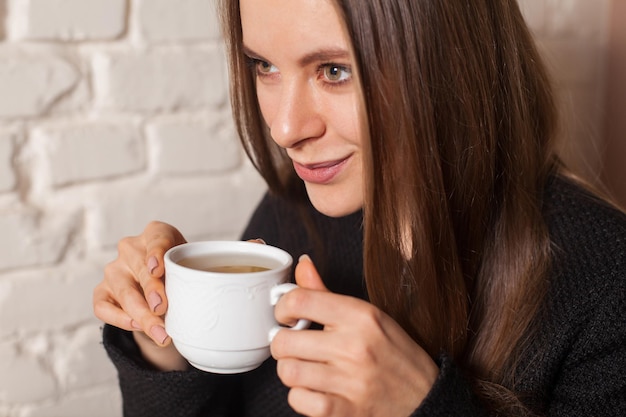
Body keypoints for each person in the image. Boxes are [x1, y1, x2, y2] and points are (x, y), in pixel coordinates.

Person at [93, 0, 626, 416]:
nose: (286, 128)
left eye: (334, 71)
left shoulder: (605, 281)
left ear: (448, 59)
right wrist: (164, 330)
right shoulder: (291, 212)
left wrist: (424, 407)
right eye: (264, 65)